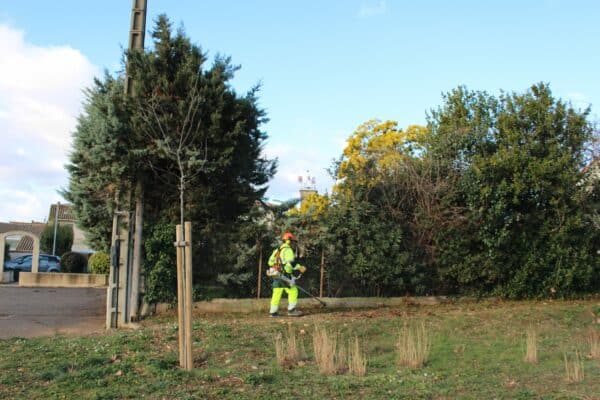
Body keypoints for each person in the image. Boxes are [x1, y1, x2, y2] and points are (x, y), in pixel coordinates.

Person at [266, 232, 307, 317]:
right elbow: (291, 264)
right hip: (284, 275)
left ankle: (273, 312)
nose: (293, 244)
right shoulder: (288, 250)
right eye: (292, 241)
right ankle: (291, 310)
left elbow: (270, 262)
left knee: (276, 292)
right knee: (293, 291)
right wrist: (300, 268)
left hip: (276, 274)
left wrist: (278, 266)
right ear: (289, 241)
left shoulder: (277, 250)